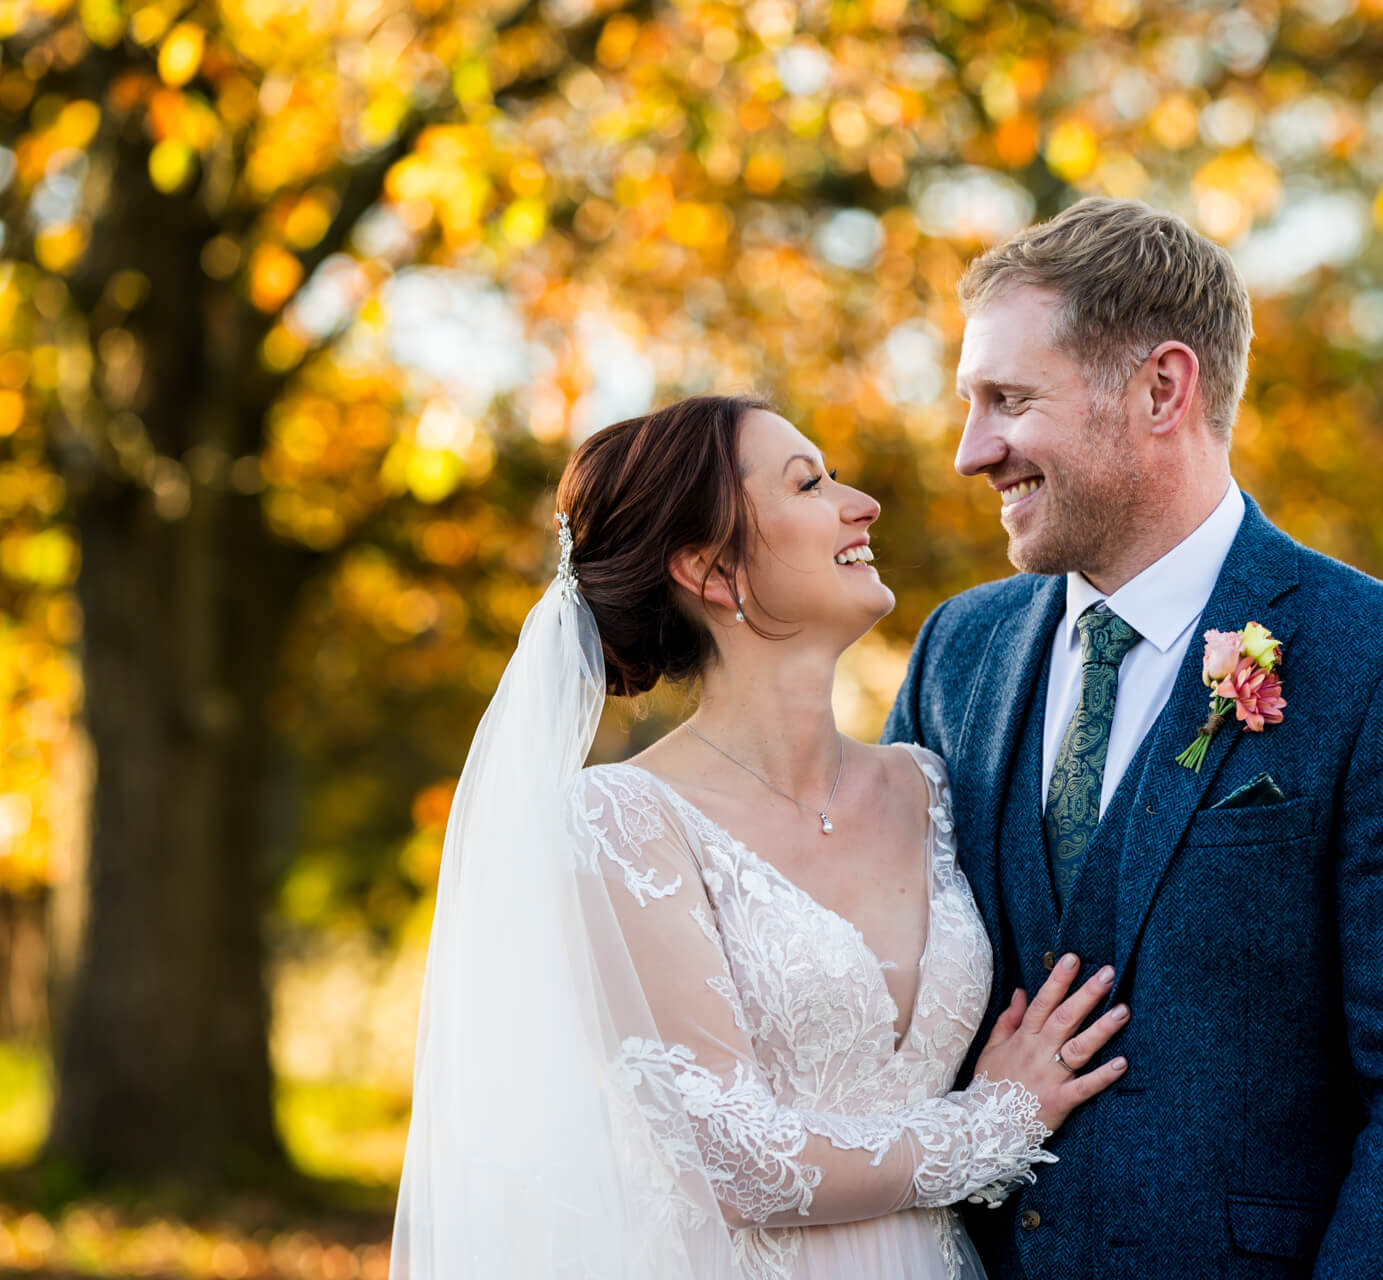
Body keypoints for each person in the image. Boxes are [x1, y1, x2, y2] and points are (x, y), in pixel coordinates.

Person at [882, 197, 1383, 1279]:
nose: (969, 450)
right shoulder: (959, 651)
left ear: (1163, 387)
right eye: (968, 403)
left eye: (1010, 400)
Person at [392, 394, 1132, 1279]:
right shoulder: (625, 823)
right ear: (712, 571)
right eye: (809, 484)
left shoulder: (928, 787)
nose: (862, 502)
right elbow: (738, 1162)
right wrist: (1000, 1121)